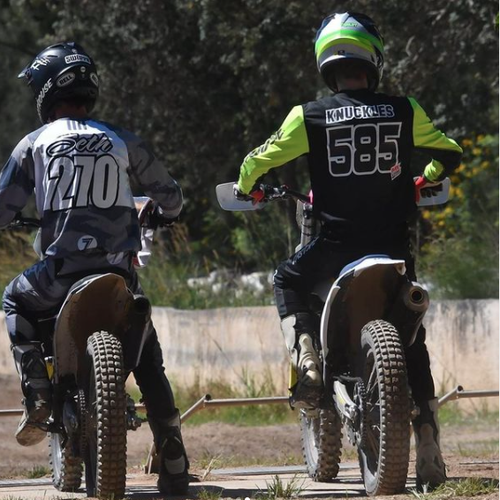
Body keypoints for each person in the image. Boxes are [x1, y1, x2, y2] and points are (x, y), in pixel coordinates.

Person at [234, 12, 463, 491]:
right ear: (372, 59)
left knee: (287, 279)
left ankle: (308, 358)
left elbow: (260, 160)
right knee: (413, 340)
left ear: (327, 63)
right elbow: (450, 151)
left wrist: (248, 187)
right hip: (392, 249)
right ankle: (428, 442)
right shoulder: (404, 109)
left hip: (335, 248)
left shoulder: (309, 115)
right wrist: (428, 178)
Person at [0, 42, 189, 495]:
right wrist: (161, 211)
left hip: (60, 275)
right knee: (146, 355)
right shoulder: (121, 138)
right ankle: (174, 451)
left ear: (48, 90)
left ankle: (38, 392)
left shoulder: (35, 142)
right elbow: (172, 197)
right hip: (118, 277)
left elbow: (3, 208)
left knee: (12, 298)